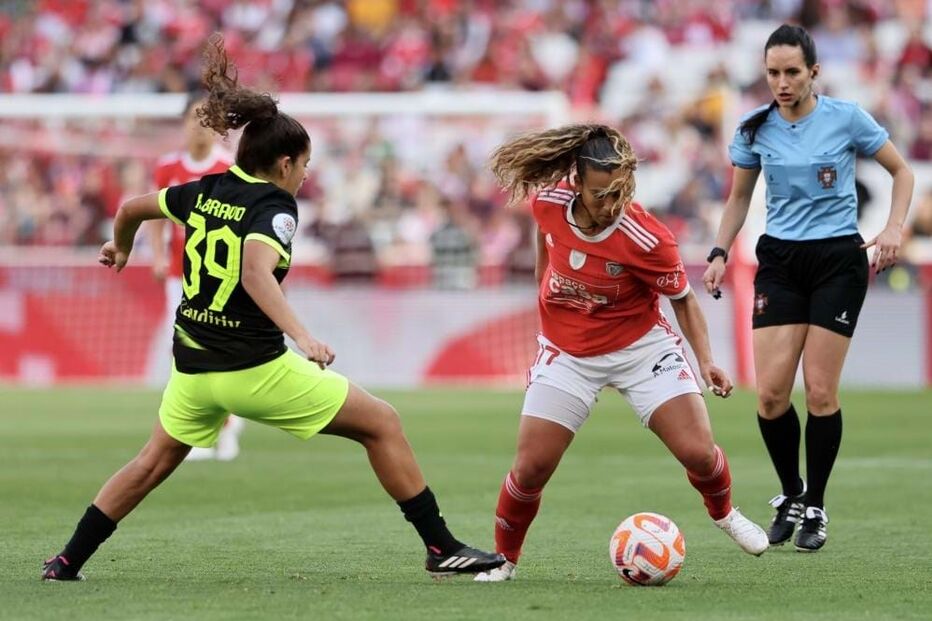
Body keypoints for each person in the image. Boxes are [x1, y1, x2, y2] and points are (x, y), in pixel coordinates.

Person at [41, 34, 504, 582]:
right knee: (382, 423)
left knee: (151, 464)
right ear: (284, 163)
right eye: (304, 164)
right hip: (251, 369)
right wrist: (303, 337)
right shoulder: (275, 206)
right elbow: (255, 271)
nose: (305, 175)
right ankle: (440, 547)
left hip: (192, 367)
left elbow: (131, 208)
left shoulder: (202, 187)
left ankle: (67, 560)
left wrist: (121, 246)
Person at [473, 123, 769, 583]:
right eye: (599, 194)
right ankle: (503, 560)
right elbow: (544, 237)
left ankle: (725, 513)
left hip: (640, 349)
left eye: (617, 192)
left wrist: (706, 360)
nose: (610, 204)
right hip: (568, 353)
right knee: (530, 467)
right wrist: (544, 287)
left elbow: (683, 299)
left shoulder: (647, 237)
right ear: (575, 181)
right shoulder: (547, 203)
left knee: (698, 453)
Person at [702, 25, 914, 552]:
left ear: (814, 72)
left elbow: (902, 172)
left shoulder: (846, 118)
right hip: (779, 259)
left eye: (792, 72)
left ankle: (815, 505)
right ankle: (791, 492)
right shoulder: (755, 129)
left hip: (838, 260)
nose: (782, 82)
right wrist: (719, 251)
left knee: (820, 391)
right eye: (773, 72)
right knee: (772, 395)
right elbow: (737, 199)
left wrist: (893, 228)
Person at [146, 92, 243, 462]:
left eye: (206, 118)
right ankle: (197, 433)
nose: (199, 125)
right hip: (178, 274)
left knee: (220, 345)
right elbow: (154, 215)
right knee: (186, 348)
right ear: (183, 123)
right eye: (193, 117)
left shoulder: (227, 169)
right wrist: (156, 255)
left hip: (217, 277)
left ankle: (227, 427)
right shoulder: (167, 167)